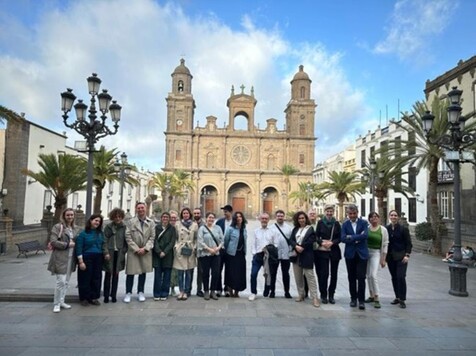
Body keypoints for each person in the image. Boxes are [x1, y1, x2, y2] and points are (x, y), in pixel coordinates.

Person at [47, 208, 81, 313]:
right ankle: (56, 303)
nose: (70, 217)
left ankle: (62, 301)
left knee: (66, 282)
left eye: (71, 215)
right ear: (64, 216)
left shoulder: (75, 228)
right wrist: (67, 245)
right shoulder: (58, 227)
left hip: (71, 258)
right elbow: (53, 241)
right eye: (68, 215)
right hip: (60, 258)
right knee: (60, 282)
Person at [124, 202, 156, 303]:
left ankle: (140, 291)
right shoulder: (130, 222)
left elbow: (152, 237)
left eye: (142, 208)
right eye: (139, 208)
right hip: (134, 251)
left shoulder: (151, 222)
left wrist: (146, 248)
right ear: (136, 209)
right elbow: (128, 236)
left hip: (145, 251)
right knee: (131, 272)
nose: (141, 210)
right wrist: (136, 248)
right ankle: (128, 292)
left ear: (145, 209)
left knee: (143, 272)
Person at [76, 214, 109, 306]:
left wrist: (106, 253)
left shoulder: (100, 233)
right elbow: (79, 247)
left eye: (99, 221)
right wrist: (80, 261)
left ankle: (94, 297)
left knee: (96, 278)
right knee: (85, 278)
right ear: (90, 220)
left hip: (98, 258)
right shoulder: (83, 234)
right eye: (96, 220)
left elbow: (104, 244)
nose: (97, 223)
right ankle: (84, 298)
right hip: (86, 258)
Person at [289, 211, 320, 308]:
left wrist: (302, 247)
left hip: (307, 255)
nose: (301, 220)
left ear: (306, 219)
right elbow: (291, 240)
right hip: (296, 256)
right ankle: (301, 294)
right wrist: (296, 246)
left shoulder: (310, 229)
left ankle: (315, 297)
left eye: (303, 218)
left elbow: (312, 239)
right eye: (299, 218)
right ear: (297, 220)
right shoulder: (295, 229)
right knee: (298, 277)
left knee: (310, 276)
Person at [341, 204, 368, 310]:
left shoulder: (364, 223)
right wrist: (357, 237)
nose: (352, 215)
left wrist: (350, 237)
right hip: (350, 254)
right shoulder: (345, 224)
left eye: (354, 213)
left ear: (357, 213)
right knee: (351, 277)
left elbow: (365, 235)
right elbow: (343, 238)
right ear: (347, 214)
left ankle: (361, 300)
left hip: (362, 254)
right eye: (350, 214)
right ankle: (353, 299)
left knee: (361, 277)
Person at [248, 212, 280, 301]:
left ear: (268, 220)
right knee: (253, 274)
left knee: (267, 275)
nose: (264, 220)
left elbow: (276, 244)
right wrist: (254, 253)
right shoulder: (256, 231)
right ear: (260, 219)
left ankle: (267, 290)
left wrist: (270, 249)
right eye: (262, 218)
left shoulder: (273, 231)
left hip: (268, 256)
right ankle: (253, 292)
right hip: (258, 255)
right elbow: (253, 244)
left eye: (266, 219)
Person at [315, 204, 342, 304]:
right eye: (328, 211)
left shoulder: (337, 224)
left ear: (333, 212)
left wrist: (332, 242)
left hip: (334, 251)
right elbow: (316, 236)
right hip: (322, 251)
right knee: (324, 274)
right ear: (325, 212)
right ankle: (323, 294)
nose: (329, 213)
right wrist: (321, 242)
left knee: (334, 274)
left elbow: (340, 237)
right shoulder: (320, 223)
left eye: (331, 211)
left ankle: (331, 294)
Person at [386, 210, 412, 309]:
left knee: (401, 277)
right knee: (394, 277)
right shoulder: (386, 229)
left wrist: (407, 255)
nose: (393, 217)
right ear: (389, 217)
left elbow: (408, 243)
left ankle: (402, 299)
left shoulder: (403, 229)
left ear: (398, 217)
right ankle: (397, 296)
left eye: (395, 215)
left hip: (401, 257)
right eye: (392, 215)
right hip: (390, 257)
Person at [173, 207, 199, 300]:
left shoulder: (195, 225)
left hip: (190, 249)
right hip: (181, 249)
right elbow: (175, 237)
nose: (185, 215)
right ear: (182, 215)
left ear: (190, 214)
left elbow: (196, 238)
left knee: (189, 272)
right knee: (180, 273)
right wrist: (176, 246)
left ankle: (187, 292)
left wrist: (194, 247)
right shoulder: (177, 224)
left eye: (187, 213)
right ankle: (181, 291)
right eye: (184, 213)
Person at [197, 212, 224, 300]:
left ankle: (213, 291)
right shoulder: (202, 228)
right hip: (205, 254)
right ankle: (206, 291)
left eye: (212, 218)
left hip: (216, 254)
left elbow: (222, 240)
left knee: (216, 273)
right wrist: (209, 249)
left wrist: (217, 249)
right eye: (209, 217)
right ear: (206, 218)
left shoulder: (218, 228)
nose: (211, 219)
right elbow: (200, 241)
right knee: (205, 273)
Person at [103, 208, 127, 303]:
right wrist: (106, 252)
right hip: (110, 253)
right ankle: (106, 295)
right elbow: (104, 240)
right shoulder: (108, 227)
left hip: (119, 253)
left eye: (119, 217)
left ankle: (113, 295)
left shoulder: (124, 227)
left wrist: (124, 251)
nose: (117, 218)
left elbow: (126, 241)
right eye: (116, 217)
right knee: (108, 274)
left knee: (116, 274)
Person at [365, 212, 389, 309]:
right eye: (371, 217)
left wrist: (383, 259)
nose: (374, 218)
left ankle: (377, 297)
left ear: (378, 218)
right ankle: (371, 295)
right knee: (368, 275)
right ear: (369, 219)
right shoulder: (366, 228)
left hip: (376, 253)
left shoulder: (383, 230)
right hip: (366, 253)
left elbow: (385, 244)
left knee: (373, 275)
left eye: (375, 217)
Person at [153, 212, 177, 301]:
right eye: (163, 217)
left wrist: (165, 252)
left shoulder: (172, 229)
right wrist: (159, 251)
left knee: (167, 275)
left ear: (169, 219)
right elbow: (154, 240)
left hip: (168, 255)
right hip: (157, 255)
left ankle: (164, 293)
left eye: (167, 217)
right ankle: (156, 293)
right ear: (161, 218)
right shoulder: (156, 228)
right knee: (157, 275)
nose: (165, 219)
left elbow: (172, 242)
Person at [270, 209, 293, 298]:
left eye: (281, 216)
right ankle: (272, 292)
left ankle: (287, 292)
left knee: (286, 274)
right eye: (278, 216)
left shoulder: (289, 228)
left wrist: (291, 252)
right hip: (275, 255)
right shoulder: (271, 228)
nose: (280, 217)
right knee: (273, 274)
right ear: (275, 217)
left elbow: (291, 241)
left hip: (286, 254)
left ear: (284, 217)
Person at [224, 211, 247, 297]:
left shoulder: (244, 229)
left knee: (240, 273)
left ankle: (237, 292)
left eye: (240, 216)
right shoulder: (230, 229)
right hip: (231, 254)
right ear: (234, 219)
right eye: (237, 217)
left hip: (241, 254)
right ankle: (230, 291)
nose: (239, 218)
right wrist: (227, 252)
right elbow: (226, 241)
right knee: (231, 273)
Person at [216, 204, 233, 296]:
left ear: (230, 212)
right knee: (218, 269)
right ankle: (218, 289)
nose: (224, 214)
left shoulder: (235, 222)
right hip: (220, 249)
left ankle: (227, 288)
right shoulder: (219, 222)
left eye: (226, 212)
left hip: (230, 250)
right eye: (224, 212)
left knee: (229, 270)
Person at [192, 207, 205, 297]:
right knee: (189, 270)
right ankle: (187, 289)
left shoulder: (204, 224)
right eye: (195, 213)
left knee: (201, 271)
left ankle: (199, 289)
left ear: (200, 214)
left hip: (201, 250)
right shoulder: (190, 224)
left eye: (198, 213)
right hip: (190, 250)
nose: (196, 215)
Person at [169, 210, 179, 296]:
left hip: (176, 251)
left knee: (174, 271)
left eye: (175, 218)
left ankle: (172, 288)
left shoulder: (178, 227)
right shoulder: (166, 227)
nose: (173, 219)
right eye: (171, 218)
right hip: (167, 251)